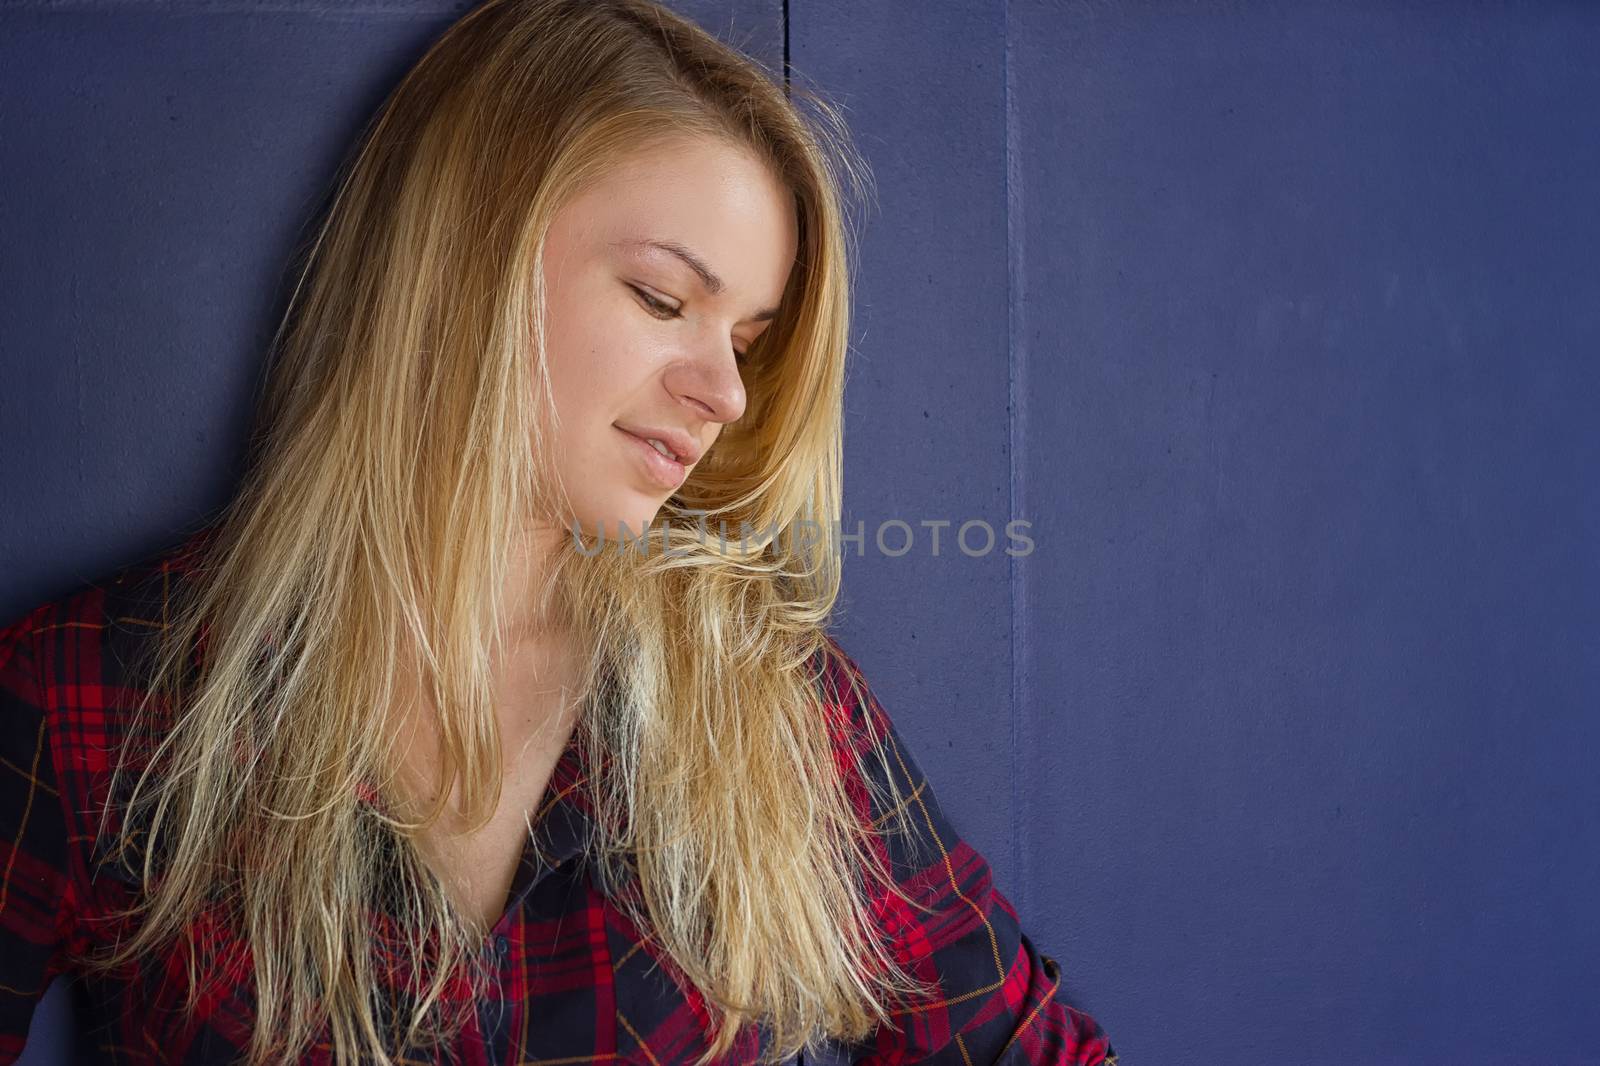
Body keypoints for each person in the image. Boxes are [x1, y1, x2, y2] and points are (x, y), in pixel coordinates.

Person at [0, 0, 1117, 1063]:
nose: (725, 393)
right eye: (661, 298)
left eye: (748, 340)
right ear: (462, 258)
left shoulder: (767, 708)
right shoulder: (92, 703)